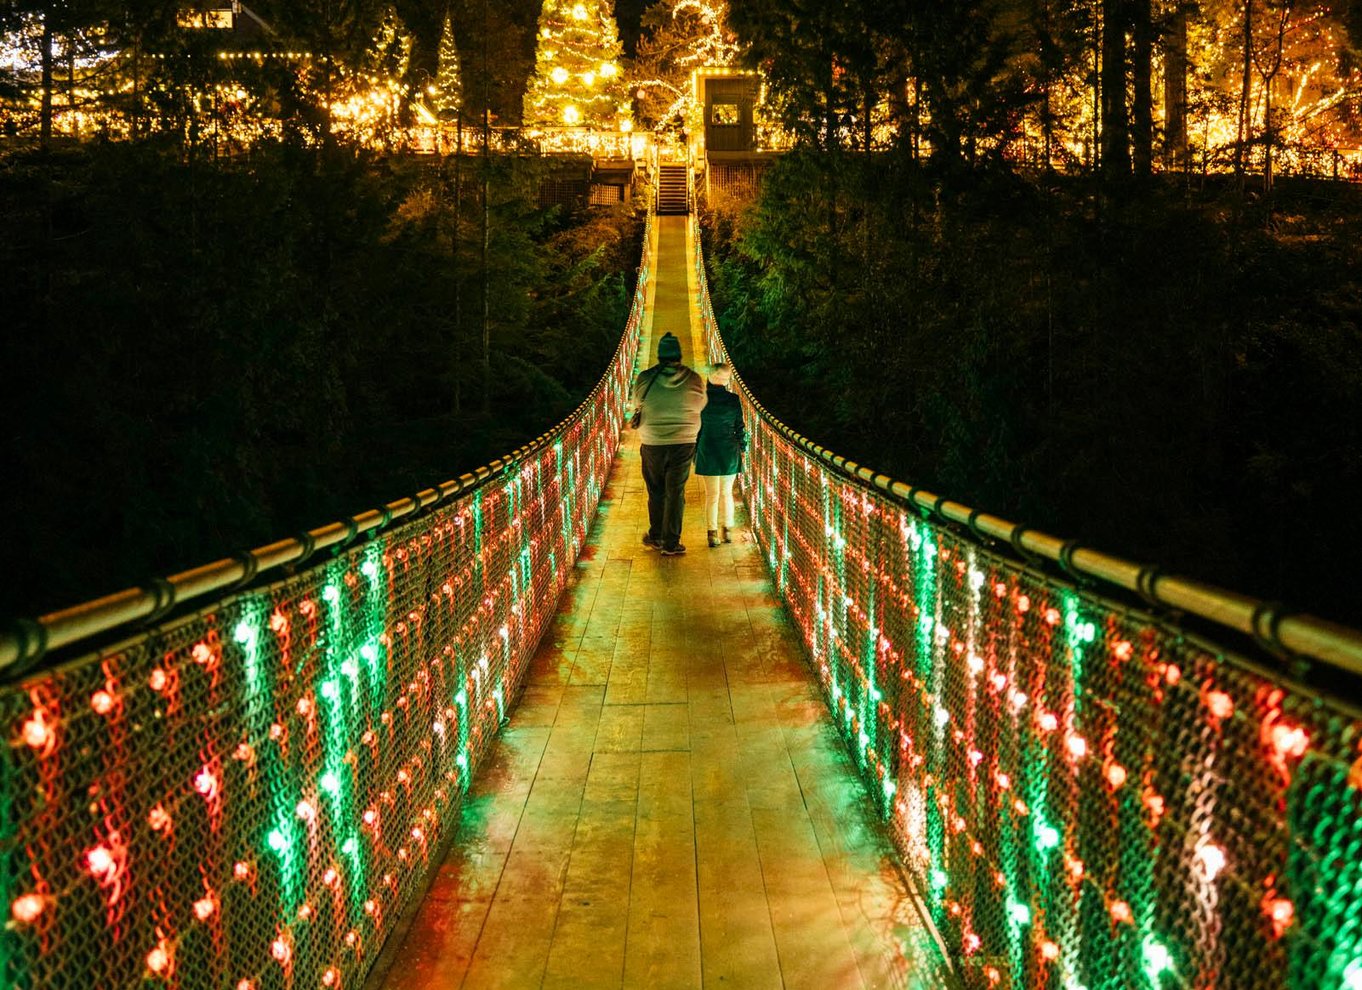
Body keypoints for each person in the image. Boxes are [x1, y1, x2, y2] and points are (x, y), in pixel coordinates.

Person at [631, 331, 707, 555]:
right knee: (675, 491)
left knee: (656, 490)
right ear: (679, 355)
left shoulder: (645, 378)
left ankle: (656, 536)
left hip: (652, 442)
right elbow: (700, 403)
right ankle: (671, 542)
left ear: (659, 355)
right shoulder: (694, 378)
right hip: (684, 442)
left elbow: (637, 402)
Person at [694, 363, 746, 548]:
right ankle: (728, 530)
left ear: (709, 377)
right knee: (727, 493)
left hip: (708, 449)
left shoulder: (700, 398)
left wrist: (694, 452)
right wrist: (743, 447)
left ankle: (712, 534)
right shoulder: (733, 399)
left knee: (712, 495)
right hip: (729, 451)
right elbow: (739, 427)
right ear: (726, 379)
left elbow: (696, 428)